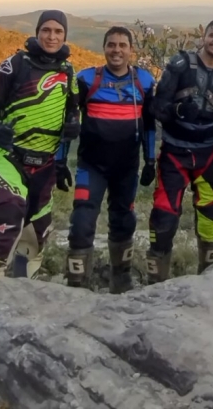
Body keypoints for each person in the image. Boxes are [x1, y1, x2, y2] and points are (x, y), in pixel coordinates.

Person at [0, 10, 80, 280]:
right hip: (9, 156)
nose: (52, 36)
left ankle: (25, 289)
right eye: (46, 30)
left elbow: (71, 114)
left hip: (45, 163)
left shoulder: (68, 71)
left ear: (65, 35)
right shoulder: (14, 65)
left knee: (37, 233)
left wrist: (61, 159)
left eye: (58, 31)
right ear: (37, 32)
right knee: (6, 222)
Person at [147, 20, 213, 283]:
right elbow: (157, 106)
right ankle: (156, 284)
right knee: (164, 215)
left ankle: (208, 278)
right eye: (212, 34)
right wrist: (178, 111)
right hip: (174, 152)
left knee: (210, 212)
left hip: (207, 155)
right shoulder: (180, 64)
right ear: (203, 37)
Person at [63, 26, 156, 293]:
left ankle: (121, 280)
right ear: (103, 48)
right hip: (92, 166)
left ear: (130, 50)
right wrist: (59, 162)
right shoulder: (87, 79)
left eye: (122, 45)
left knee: (124, 221)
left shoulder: (144, 82)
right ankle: (76, 285)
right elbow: (68, 122)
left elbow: (149, 125)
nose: (116, 50)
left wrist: (150, 161)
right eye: (111, 45)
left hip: (126, 168)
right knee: (81, 222)